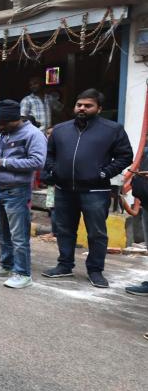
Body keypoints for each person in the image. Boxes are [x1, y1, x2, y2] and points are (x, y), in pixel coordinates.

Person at [42, 89, 133, 288]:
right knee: (65, 230)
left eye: (88, 105)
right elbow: (49, 155)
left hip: (95, 191)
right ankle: (64, 265)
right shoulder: (60, 129)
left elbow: (125, 156)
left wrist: (103, 173)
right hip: (64, 189)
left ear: (99, 108)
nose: (82, 108)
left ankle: (95, 270)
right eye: (79, 104)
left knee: (96, 233)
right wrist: (54, 170)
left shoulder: (112, 129)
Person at [0, 100, 47, 289]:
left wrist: (4, 162)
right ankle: (6, 265)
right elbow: (0, 153)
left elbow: (37, 162)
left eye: (2, 124)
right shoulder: (4, 132)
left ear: (15, 119)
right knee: (1, 232)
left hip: (17, 191)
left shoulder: (34, 134)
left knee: (19, 236)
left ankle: (23, 273)